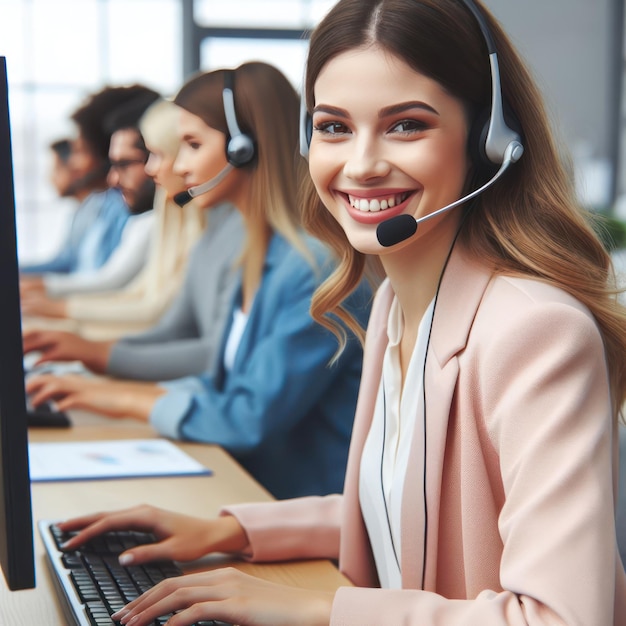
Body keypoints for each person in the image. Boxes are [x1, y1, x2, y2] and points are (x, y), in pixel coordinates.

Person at [49, 1, 626, 624]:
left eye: (406, 125)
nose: (361, 164)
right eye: (333, 127)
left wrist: (321, 611)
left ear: (490, 138)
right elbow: (398, 510)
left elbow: (562, 617)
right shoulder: (394, 307)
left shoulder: (535, 330)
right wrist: (228, 530)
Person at [27, 61, 374, 500]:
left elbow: (249, 417)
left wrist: (114, 397)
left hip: (298, 508)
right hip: (248, 488)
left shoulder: (315, 268)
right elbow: (218, 379)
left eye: (191, 145)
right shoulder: (254, 251)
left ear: (244, 149)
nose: (178, 164)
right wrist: (95, 383)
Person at [19, 99, 209, 340]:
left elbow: (146, 305)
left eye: (157, 154)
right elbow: (141, 298)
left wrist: (66, 319)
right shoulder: (164, 212)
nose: (152, 169)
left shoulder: (157, 217)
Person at [20, 88, 160, 312]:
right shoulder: (99, 206)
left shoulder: (136, 213)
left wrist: (56, 305)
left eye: (81, 150)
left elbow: (110, 284)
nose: (73, 163)